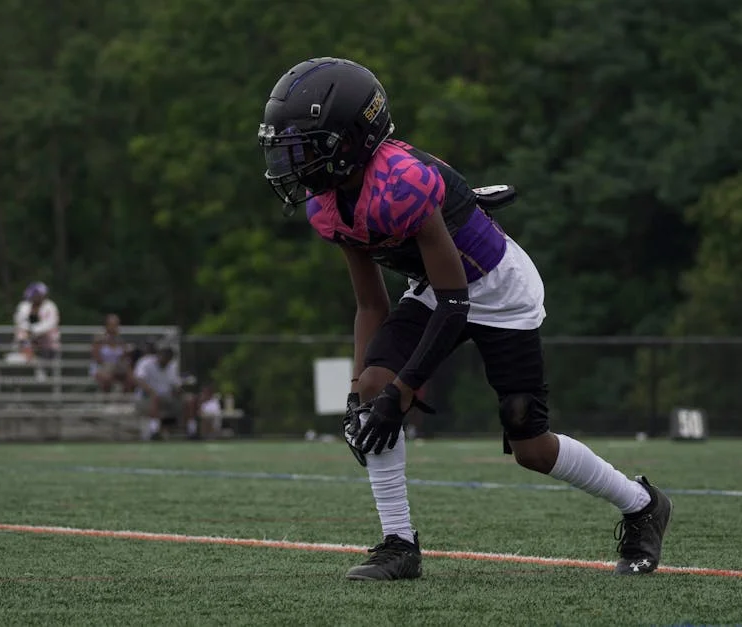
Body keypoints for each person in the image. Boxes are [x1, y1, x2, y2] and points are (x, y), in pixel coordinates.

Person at [257, 57, 672, 580]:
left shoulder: (401, 184)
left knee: (531, 446)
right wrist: (361, 392)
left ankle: (642, 503)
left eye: (305, 147)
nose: (291, 162)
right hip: (435, 288)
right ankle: (397, 544)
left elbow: (459, 304)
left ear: (350, 141)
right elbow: (370, 306)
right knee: (373, 389)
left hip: (498, 291)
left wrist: (403, 392)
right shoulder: (329, 206)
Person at [133, 346, 197, 440]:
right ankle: (154, 431)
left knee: (190, 400)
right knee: (155, 397)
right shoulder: (145, 362)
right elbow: (139, 380)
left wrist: (180, 392)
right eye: (164, 358)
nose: (166, 362)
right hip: (145, 398)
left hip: (167, 398)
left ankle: (191, 431)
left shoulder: (172, 366)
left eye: (168, 360)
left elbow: (175, 385)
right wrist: (152, 392)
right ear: (159, 356)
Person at [14, 282, 61, 361]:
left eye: (39, 294)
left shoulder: (50, 306)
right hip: (29, 340)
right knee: (21, 334)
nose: (37, 297)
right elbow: (19, 320)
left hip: (47, 343)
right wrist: (29, 330)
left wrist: (33, 330)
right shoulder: (24, 306)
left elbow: (50, 324)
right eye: (35, 294)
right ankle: (26, 357)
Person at [90, 314, 133, 393]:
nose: (114, 327)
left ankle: (125, 401)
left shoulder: (120, 339)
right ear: (106, 325)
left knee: (129, 376)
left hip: (117, 368)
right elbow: (96, 358)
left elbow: (124, 356)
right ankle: (106, 401)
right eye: (112, 325)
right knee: (107, 378)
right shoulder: (99, 339)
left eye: (116, 324)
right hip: (102, 367)